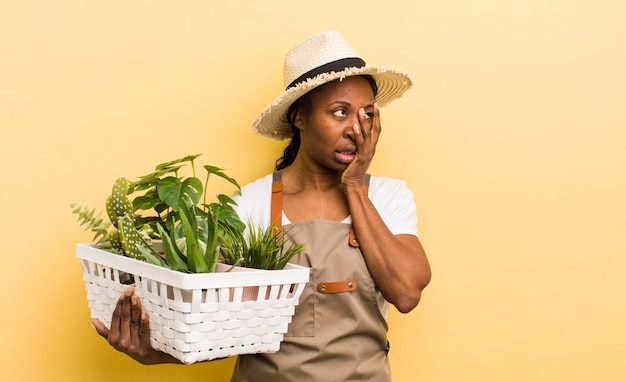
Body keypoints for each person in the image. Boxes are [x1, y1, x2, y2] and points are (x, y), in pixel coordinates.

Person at [92, 30, 431, 381]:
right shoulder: (248, 205)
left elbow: (406, 292)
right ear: (300, 117)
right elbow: (220, 331)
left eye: (366, 115)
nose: (356, 130)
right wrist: (153, 354)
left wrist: (354, 188)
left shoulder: (388, 197)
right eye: (340, 112)